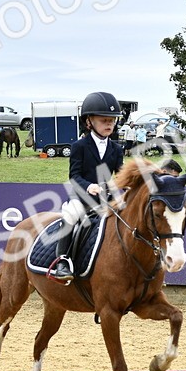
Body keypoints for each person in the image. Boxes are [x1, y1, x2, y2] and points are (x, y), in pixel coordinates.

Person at [51, 91, 125, 282]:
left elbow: (121, 175)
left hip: (106, 200)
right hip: (81, 198)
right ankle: (62, 261)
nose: (109, 124)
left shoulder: (116, 149)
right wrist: (89, 186)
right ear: (89, 121)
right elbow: (74, 176)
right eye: (104, 120)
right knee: (71, 214)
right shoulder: (79, 146)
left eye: (112, 120)